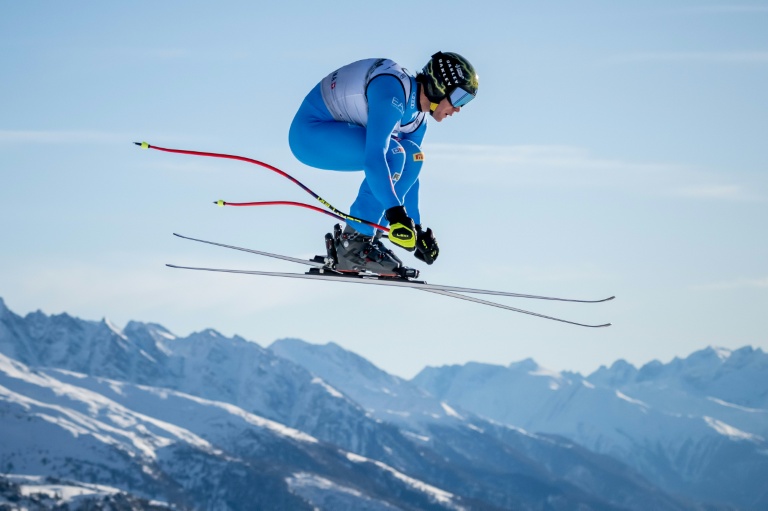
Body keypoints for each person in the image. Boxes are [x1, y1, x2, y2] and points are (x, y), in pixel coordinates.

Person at [289, 52, 479, 275]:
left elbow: (410, 171)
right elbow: (376, 158)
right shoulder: (392, 92)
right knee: (394, 153)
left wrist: (415, 228)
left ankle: (365, 238)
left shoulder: (417, 120)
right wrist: (395, 213)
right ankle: (353, 244)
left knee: (413, 154)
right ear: (439, 86)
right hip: (310, 133)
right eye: (459, 99)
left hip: (336, 131)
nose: (458, 109)